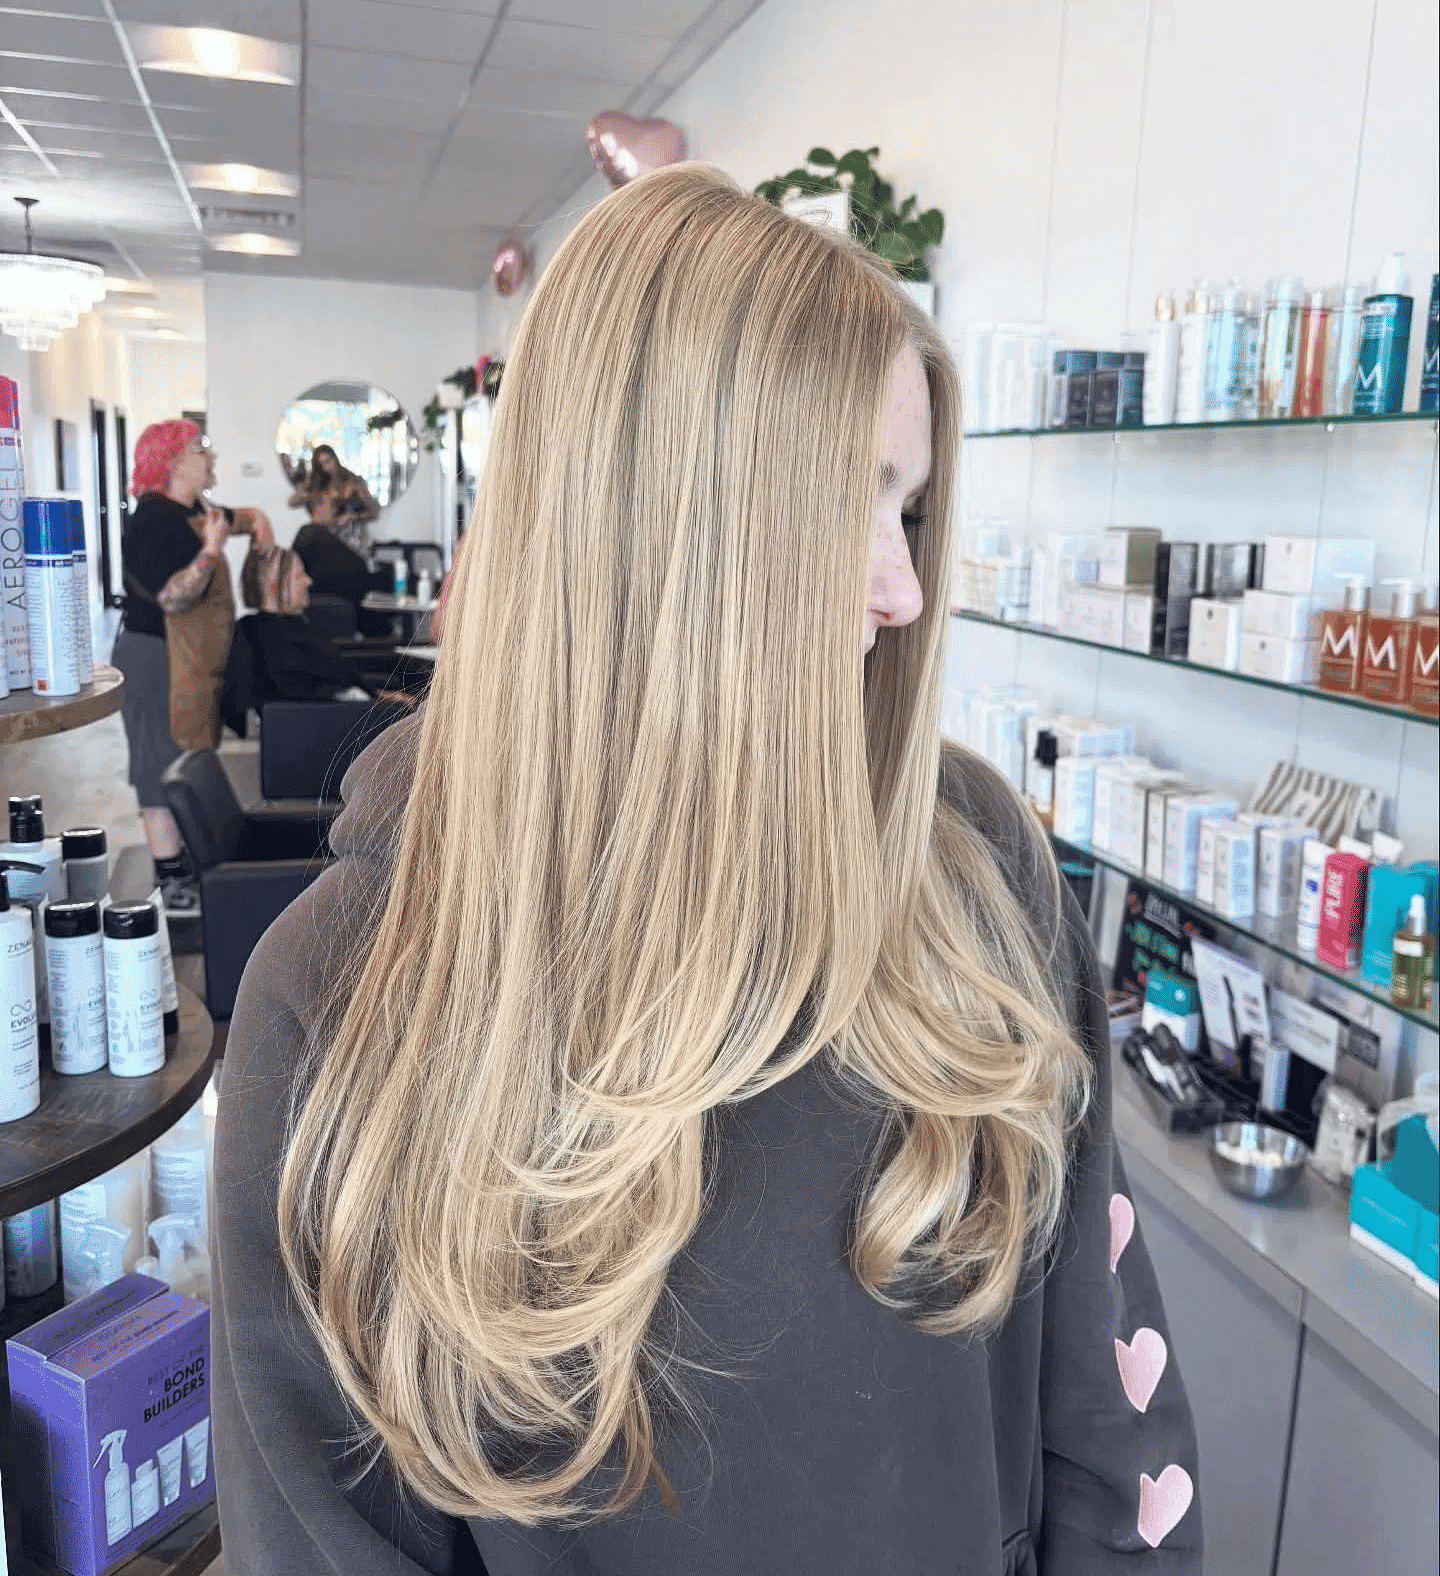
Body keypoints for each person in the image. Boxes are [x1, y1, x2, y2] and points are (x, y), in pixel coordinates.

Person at [215, 166, 1201, 1574]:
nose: (903, 591)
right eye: (852, 505)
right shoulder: (349, 997)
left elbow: (1112, 1442)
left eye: (908, 511)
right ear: (659, 539)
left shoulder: (974, 874)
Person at [111, 420, 272, 915]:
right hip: (150, 657)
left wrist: (258, 518)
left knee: (181, 757)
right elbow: (171, 598)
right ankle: (170, 881)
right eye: (201, 450)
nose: (212, 456)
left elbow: (232, 517)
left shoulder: (193, 510)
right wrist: (211, 552)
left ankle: (182, 861)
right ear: (175, 462)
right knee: (156, 767)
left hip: (181, 662)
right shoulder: (153, 522)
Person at [228, 543, 428, 712]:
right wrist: (379, 701)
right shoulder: (278, 643)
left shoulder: (272, 630)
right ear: (277, 586)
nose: (309, 581)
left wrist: (377, 694)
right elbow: (323, 690)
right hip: (333, 722)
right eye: (300, 576)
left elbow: (333, 677)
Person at [287, 442, 380, 555]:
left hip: (352, 541)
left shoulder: (353, 482)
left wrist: (352, 516)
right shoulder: (317, 486)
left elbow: (374, 512)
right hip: (326, 538)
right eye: (321, 465)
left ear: (335, 458)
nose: (326, 467)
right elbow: (292, 502)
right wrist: (306, 493)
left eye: (328, 461)